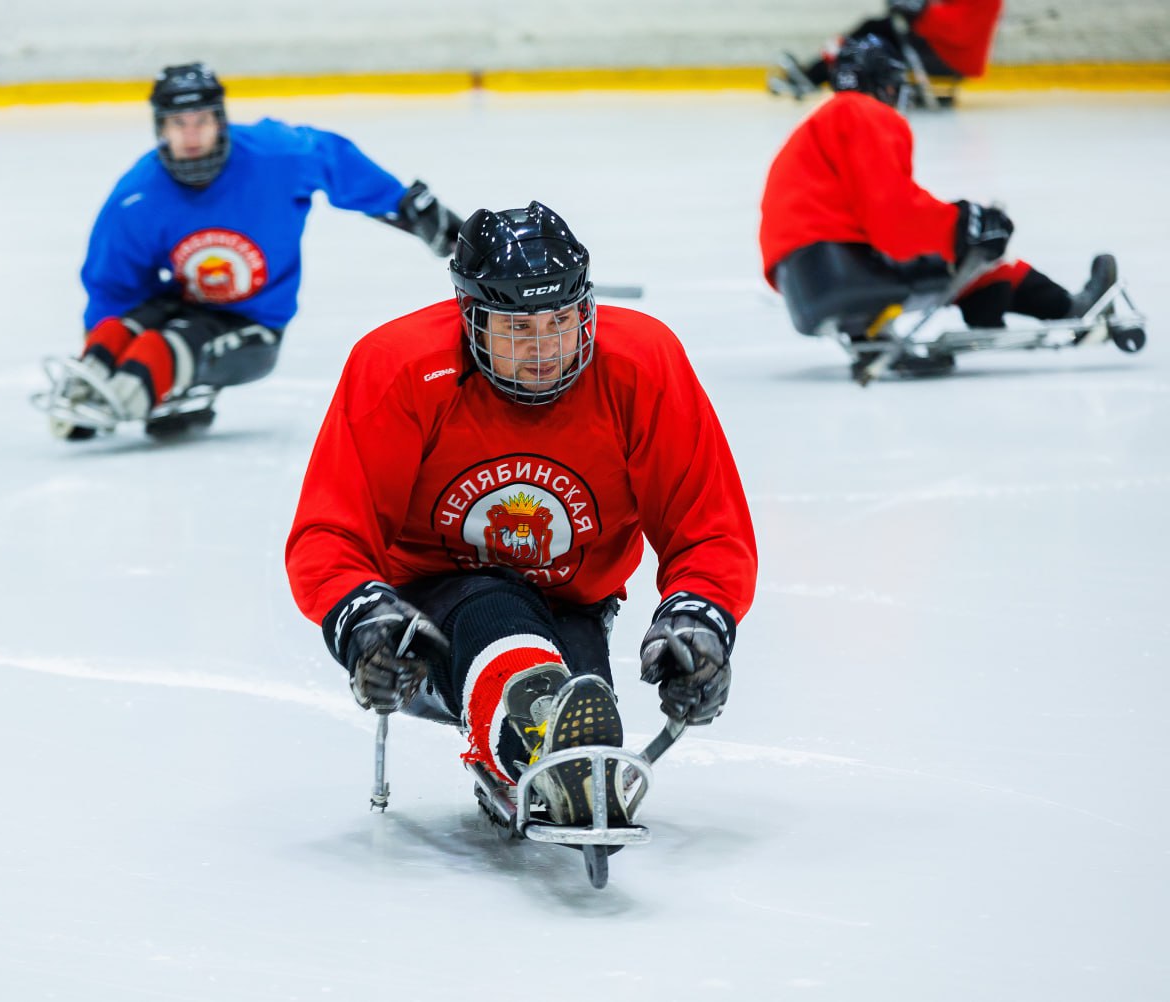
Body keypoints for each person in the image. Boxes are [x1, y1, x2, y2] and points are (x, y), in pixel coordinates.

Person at [285, 202, 757, 830]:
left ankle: (535, 752)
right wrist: (363, 618)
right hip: (433, 613)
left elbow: (707, 523)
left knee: (580, 711)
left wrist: (699, 619)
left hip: (571, 602)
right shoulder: (400, 368)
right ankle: (534, 738)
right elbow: (330, 529)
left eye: (561, 321)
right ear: (469, 319)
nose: (546, 350)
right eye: (517, 329)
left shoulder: (643, 363)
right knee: (496, 615)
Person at [42, 62, 463, 440]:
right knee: (120, 333)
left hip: (255, 324)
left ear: (220, 120)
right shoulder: (137, 197)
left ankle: (150, 381)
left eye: (201, 120)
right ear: (160, 128)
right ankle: (96, 380)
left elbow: (331, 157)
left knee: (162, 348)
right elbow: (113, 286)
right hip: (185, 302)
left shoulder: (275, 156)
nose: (190, 135)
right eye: (178, 123)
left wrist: (405, 204)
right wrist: (102, 346)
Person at [759, 35, 1118, 378]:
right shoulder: (863, 112)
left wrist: (955, 226)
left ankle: (888, 329)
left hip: (805, 288)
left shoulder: (818, 127)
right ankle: (1071, 310)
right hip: (846, 274)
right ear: (884, 84)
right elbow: (894, 218)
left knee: (952, 247)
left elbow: (869, 214)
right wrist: (964, 226)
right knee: (980, 247)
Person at [768, 0, 1003, 105]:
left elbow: (960, 30)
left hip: (950, 57)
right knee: (873, 29)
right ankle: (812, 75)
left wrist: (920, 10)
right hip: (942, 48)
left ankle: (811, 78)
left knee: (872, 35)